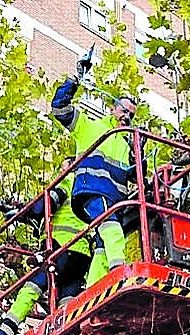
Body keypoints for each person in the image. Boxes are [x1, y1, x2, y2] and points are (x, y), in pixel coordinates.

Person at [0, 167, 93, 335]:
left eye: (63, 166)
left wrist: (25, 211)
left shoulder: (69, 179)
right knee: (66, 299)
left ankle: (3, 334)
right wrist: (24, 212)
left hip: (62, 248)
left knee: (32, 287)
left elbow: (46, 205)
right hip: (81, 255)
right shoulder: (85, 189)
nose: (60, 170)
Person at [50, 50, 139, 273]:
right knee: (112, 228)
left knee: (102, 243)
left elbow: (136, 176)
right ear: (113, 108)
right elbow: (59, 108)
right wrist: (75, 78)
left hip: (115, 199)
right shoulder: (91, 126)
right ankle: (120, 271)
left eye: (131, 114)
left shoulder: (127, 144)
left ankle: (95, 288)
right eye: (123, 110)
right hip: (92, 191)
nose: (126, 116)